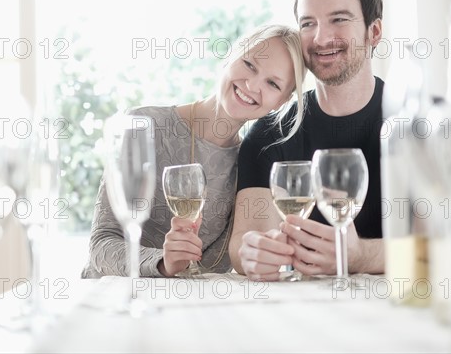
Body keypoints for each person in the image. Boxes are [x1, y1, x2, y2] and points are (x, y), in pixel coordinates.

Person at [82, 24, 306, 278]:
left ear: (283, 101)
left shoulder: (253, 164)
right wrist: (163, 262)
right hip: (116, 302)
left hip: (192, 309)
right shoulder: (143, 126)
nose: (252, 85)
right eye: (249, 64)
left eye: (273, 84)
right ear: (231, 56)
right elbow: (100, 245)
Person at [229, 0, 385, 281]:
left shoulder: (421, 125)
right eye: (308, 23)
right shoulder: (269, 135)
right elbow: (244, 242)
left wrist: (359, 256)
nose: (321, 37)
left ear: (374, 32)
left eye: (339, 19)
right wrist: (253, 255)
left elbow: (450, 243)